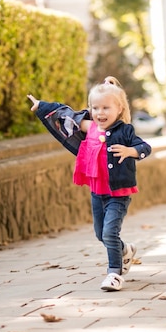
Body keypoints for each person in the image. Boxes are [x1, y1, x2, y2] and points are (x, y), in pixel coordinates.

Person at [27, 76, 152, 290]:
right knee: (100, 233)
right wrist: (41, 106)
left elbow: (145, 147)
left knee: (109, 233)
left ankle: (114, 273)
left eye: (106, 108)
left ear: (119, 109)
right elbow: (64, 117)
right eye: (95, 108)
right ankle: (125, 251)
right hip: (97, 193)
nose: (100, 113)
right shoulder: (90, 127)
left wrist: (131, 151)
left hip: (117, 194)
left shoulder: (125, 131)